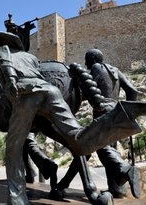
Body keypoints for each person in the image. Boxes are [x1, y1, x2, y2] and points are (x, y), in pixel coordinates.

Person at [0, 31, 146, 204]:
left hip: (27, 94)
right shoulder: (29, 57)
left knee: (13, 147)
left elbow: (5, 64)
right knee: (77, 137)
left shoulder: (0, 50)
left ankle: (18, 199)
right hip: (52, 92)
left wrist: (11, 80)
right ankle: (121, 119)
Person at [57, 48, 140, 198]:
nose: (85, 62)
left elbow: (87, 89)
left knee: (87, 147)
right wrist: (128, 112)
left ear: (93, 59)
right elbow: (132, 91)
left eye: (86, 59)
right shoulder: (115, 70)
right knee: (104, 150)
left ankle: (126, 169)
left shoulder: (96, 68)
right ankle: (117, 189)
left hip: (102, 114)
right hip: (116, 112)